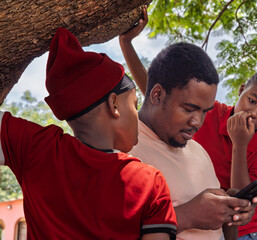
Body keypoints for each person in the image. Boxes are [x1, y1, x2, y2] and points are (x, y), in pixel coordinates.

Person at [0, 28, 177, 239]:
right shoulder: (149, 182)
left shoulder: (37, 149)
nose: (138, 116)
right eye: (134, 104)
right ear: (114, 105)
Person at [120, 7, 257, 240]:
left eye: (205, 112)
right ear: (156, 95)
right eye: (189, 109)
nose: (197, 122)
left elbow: (219, 230)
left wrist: (232, 210)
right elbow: (106, 229)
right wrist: (187, 216)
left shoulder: (197, 150)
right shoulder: (122, 148)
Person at [195, 65, 257, 240]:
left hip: (247, 231)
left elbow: (242, 198)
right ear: (241, 90)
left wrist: (239, 144)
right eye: (251, 101)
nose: (254, 113)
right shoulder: (210, 113)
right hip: (199, 221)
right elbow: (167, 105)